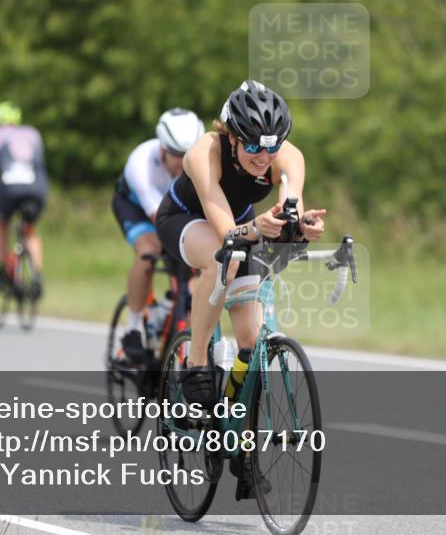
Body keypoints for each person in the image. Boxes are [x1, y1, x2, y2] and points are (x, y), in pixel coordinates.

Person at [154, 80, 325, 497]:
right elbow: (226, 228)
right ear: (231, 137)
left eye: (271, 146)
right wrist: (255, 228)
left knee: (252, 346)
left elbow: (290, 209)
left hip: (239, 230)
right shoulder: (204, 152)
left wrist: (300, 228)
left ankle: (242, 448)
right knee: (221, 256)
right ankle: (196, 365)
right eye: (252, 147)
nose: (263, 157)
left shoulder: (287, 157)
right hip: (186, 220)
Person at [113, 108, 204, 361]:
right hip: (137, 208)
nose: (182, 163)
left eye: (188, 156)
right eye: (177, 156)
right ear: (162, 148)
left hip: (176, 211)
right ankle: (133, 327)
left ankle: (177, 319)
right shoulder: (140, 161)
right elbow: (159, 218)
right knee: (150, 250)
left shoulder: (202, 161)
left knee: (199, 261)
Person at [0, 101, 48, 295]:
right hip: (37, 187)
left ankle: (0, 271)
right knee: (30, 230)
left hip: (9, 187)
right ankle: (37, 274)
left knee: (0, 224)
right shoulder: (33, 133)